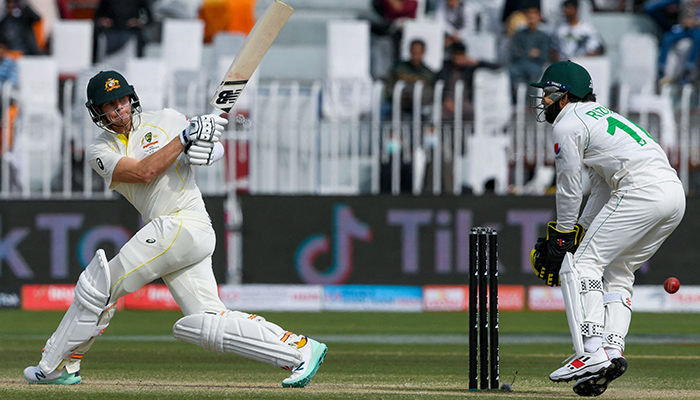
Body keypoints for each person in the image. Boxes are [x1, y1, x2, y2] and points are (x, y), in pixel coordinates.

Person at [22, 70, 328, 387]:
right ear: (97, 111)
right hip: (176, 234)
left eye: (121, 100)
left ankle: (58, 366)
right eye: (109, 105)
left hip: (184, 221)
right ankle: (299, 350)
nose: (118, 110)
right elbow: (144, 171)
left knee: (101, 286)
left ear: (131, 98)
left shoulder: (166, 118)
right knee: (207, 322)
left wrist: (210, 149)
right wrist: (184, 140)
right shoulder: (100, 151)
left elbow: (209, 145)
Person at [529, 61, 685, 397]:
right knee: (619, 270)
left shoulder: (568, 124)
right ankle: (612, 350)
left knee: (582, 265)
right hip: (673, 194)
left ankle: (591, 351)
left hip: (641, 191)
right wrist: (580, 230)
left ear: (563, 95)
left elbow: (570, 185)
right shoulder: (599, 115)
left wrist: (562, 236)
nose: (543, 101)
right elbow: (600, 185)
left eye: (547, 94)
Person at [437, 41, 499, 121]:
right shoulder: (445, 68)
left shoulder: (469, 68)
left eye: (460, 55)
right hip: (447, 103)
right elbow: (440, 84)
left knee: (472, 113)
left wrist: (478, 62)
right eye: (456, 55)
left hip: (466, 103)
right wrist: (445, 99)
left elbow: (497, 68)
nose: (458, 59)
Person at [385, 38, 437, 118]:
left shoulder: (428, 73)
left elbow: (431, 93)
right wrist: (395, 95)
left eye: (418, 50)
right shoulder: (399, 68)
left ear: (423, 51)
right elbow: (389, 85)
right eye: (414, 49)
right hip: (398, 103)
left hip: (420, 106)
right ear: (410, 50)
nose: (415, 52)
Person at [508, 7, 551, 96]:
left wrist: (524, 52)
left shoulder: (543, 36)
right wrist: (530, 53)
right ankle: (514, 101)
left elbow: (544, 54)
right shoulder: (520, 34)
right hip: (520, 64)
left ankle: (530, 104)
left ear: (538, 18)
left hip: (535, 65)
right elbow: (514, 52)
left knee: (533, 76)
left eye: (533, 17)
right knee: (510, 72)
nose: (531, 20)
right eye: (529, 17)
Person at [657, 0, 700, 84]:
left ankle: (690, 65)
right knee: (667, 38)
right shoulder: (686, 4)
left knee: (698, 37)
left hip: (696, 30)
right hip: (684, 29)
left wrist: (695, 23)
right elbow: (682, 17)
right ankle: (661, 66)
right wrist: (685, 21)